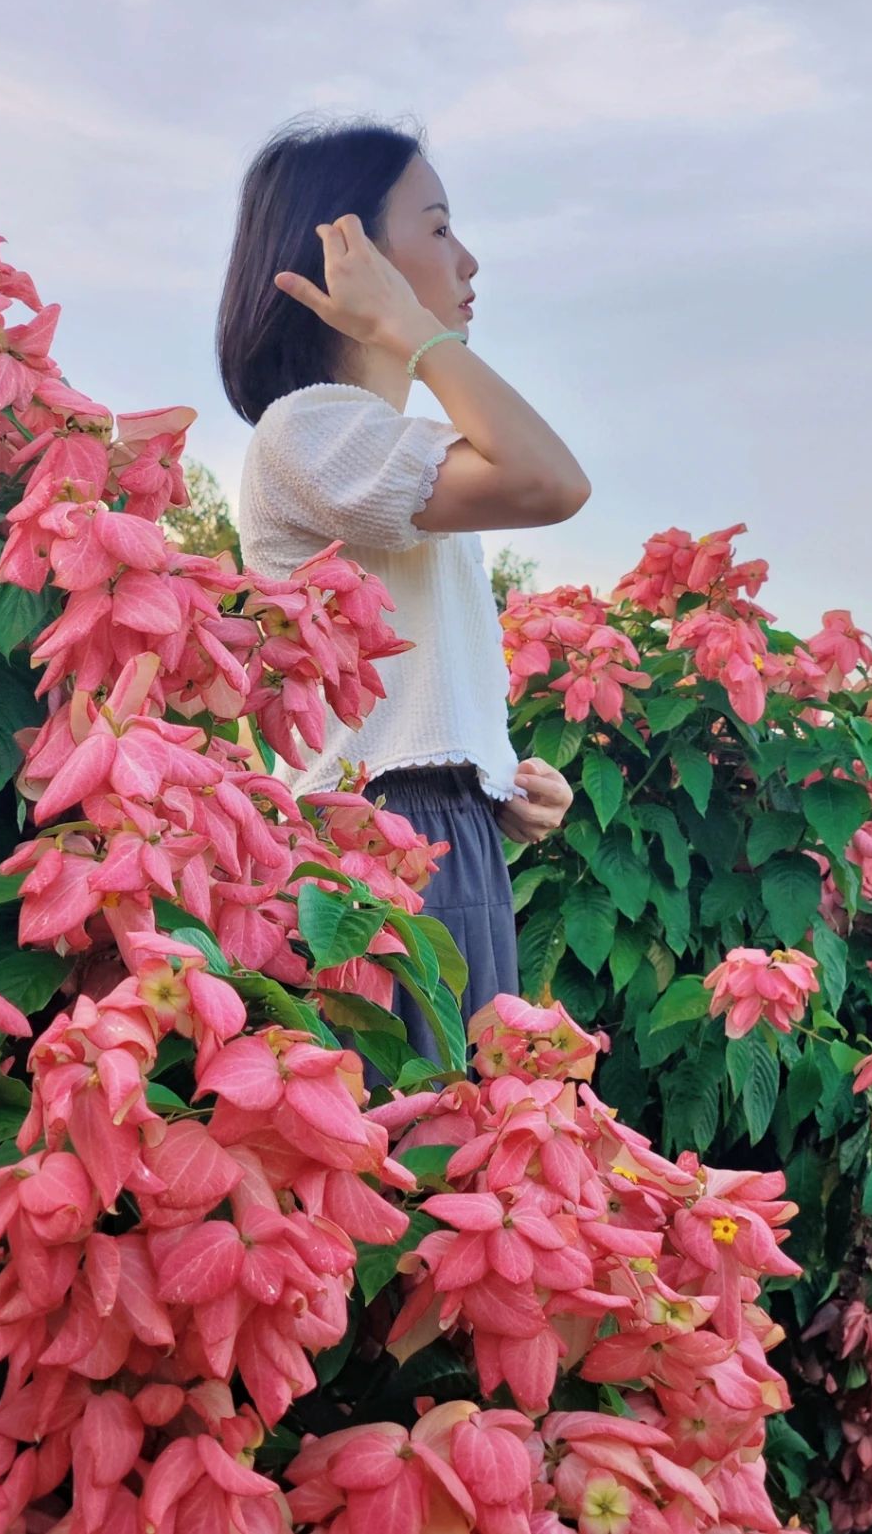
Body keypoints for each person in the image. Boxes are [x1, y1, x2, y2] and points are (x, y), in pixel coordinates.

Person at [218, 115, 590, 1054]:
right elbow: (553, 481)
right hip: (379, 846)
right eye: (436, 226)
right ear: (349, 257)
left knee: (454, 1144)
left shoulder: (380, 452)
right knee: (418, 1156)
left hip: (434, 837)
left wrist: (492, 783)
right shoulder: (308, 431)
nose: (468, 260)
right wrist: (416, 331)